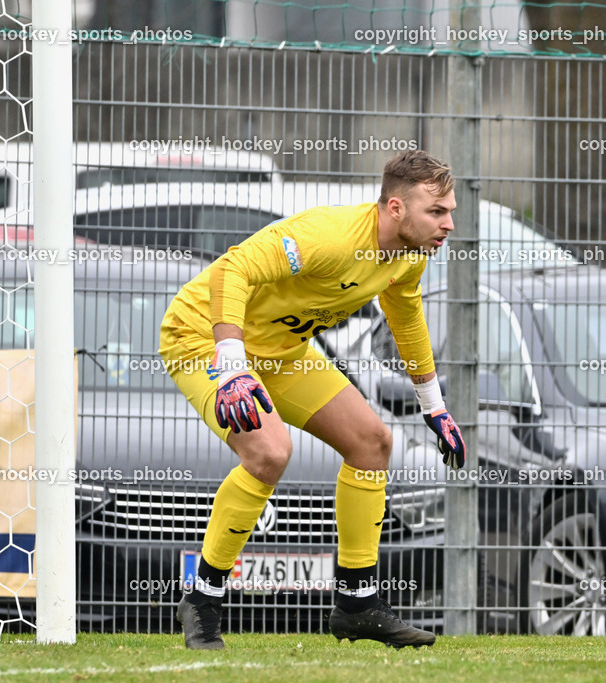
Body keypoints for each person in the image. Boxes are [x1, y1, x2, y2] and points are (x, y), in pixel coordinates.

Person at [158, 149, 467, 650]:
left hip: (283, 354)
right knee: (269, 452)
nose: (448, 223)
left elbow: (406, 318)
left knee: (372, 442)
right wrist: (235, 366)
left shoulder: (408, 256)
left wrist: (434, 406)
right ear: (394, 209)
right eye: (437, 211)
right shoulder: (329, 236)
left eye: (450, 210)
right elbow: (230, 272)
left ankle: (357, 607)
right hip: (202, 338)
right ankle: (202, 600)